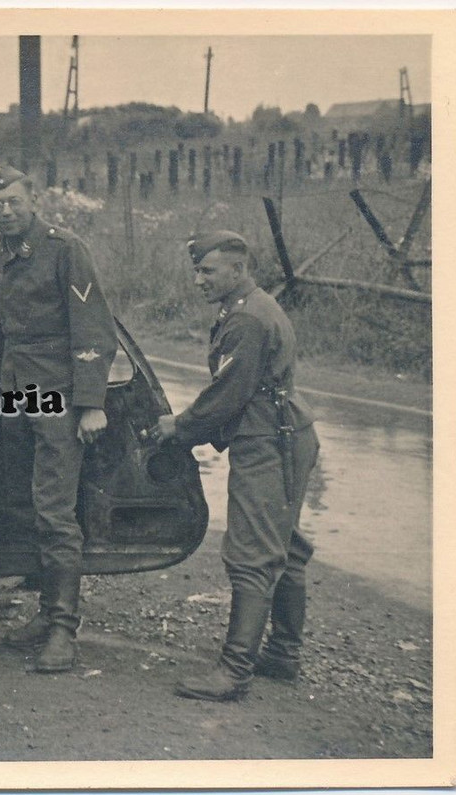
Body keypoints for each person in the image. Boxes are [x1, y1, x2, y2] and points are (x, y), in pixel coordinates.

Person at [152, 231, 319, 702]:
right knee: (284, 545)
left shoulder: (247, 318)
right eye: (197, 270)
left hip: (270, 441)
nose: (198, 279)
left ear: (237, 269)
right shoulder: (250, 306)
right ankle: (283, 655)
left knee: (250, 554)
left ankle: (234, 670)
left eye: (207, 271)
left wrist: (179, 427)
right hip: (282, 433)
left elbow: (228, 395)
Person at [0, 165, 117, 673]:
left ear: (32, 199)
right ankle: (45, 612)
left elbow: (93, 330)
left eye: (14, 200)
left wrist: (92, 403)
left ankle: (63, 628)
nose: (7, 210)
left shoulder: (65, 250)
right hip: (17, 396)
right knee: (26, 506)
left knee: (56, 512)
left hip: (58, 396)